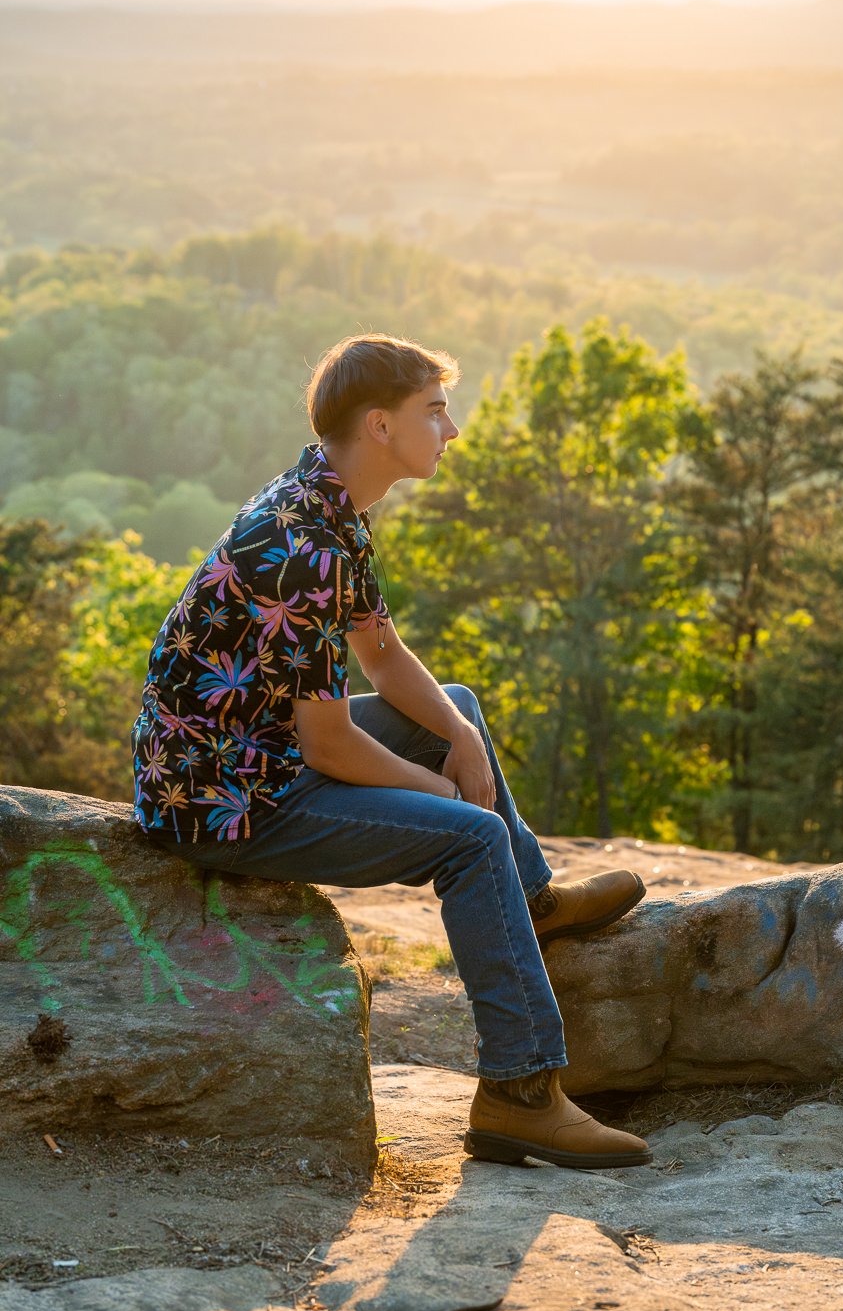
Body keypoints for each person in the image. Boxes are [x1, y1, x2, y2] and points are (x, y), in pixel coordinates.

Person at [132, 333, 650, 1170]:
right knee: (470, 837)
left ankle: (532, 904)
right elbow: (330, 745)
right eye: (435, 411)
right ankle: (520, 1097)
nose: (453, 429)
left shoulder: (333, 504)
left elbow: (383, 653)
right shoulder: (300, 547)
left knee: (460, 709)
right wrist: (440, 794)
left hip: (258, 755)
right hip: (226, 799)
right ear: (380, 425)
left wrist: (462, 739)